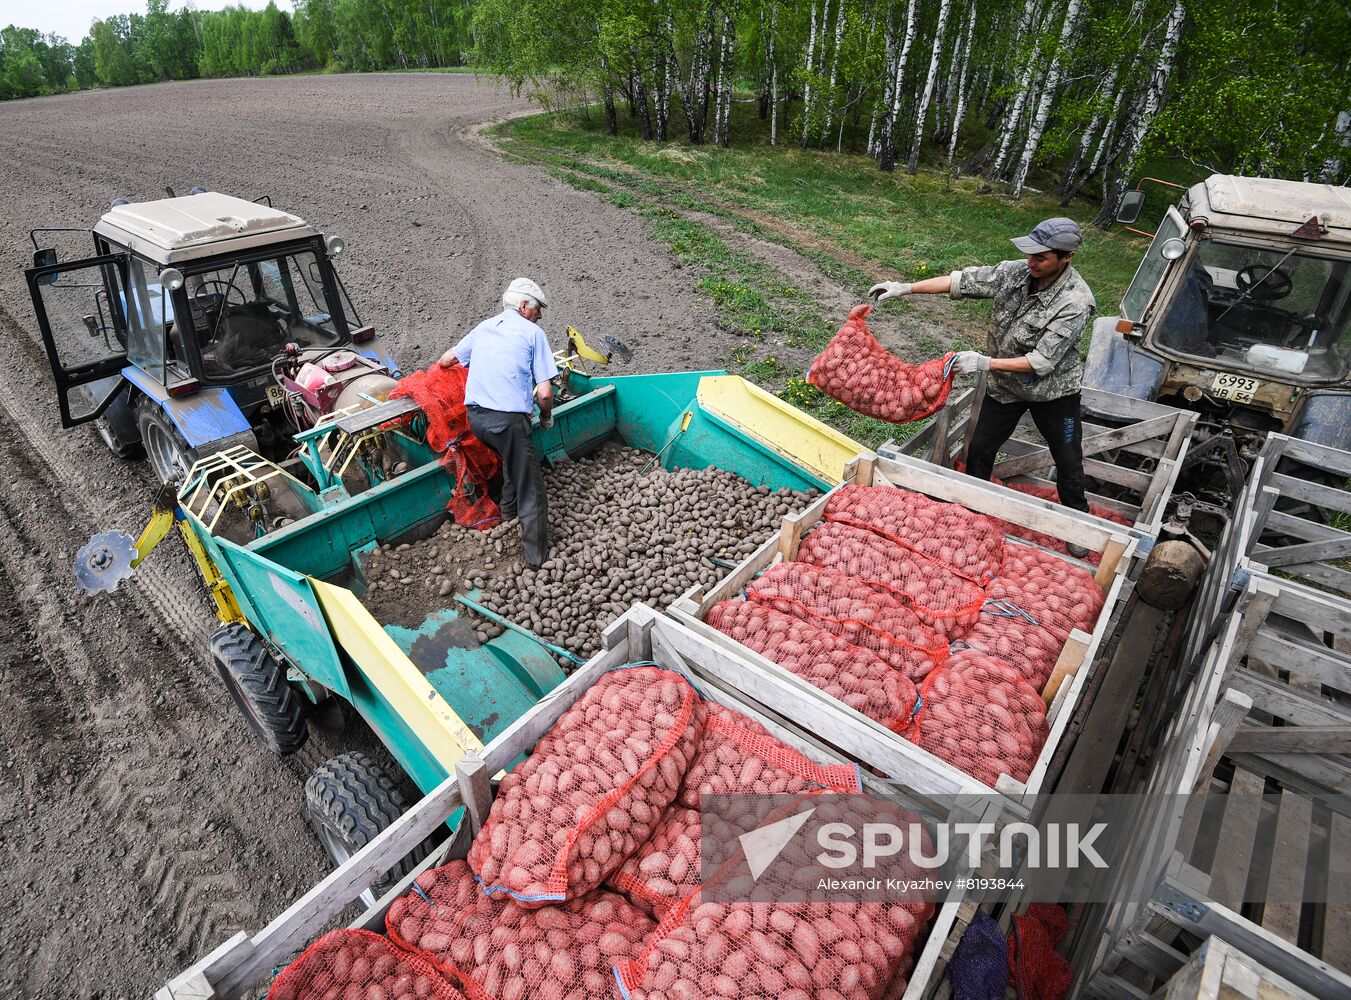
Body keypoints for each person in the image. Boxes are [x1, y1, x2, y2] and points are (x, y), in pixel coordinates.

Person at [869, 217, 1096, 557]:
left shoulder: (1075, 301)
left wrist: (983, 363)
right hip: (1005, 387)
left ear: (1067, 257)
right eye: (1029, 254)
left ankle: (1079, 524)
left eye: (1041, 257)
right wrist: (906, 287)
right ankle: (970, 513)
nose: (1031, 262)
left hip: (1053, 393)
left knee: (1067, 458)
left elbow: (1040, 362)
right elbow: (963, 282)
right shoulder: (1017, 272)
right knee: (980, 449)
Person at [438, 277, 558, 569]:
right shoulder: (533, 333)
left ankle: (506, 512)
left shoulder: (484, 327)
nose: (540, 316)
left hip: (476, 419)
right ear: (524, 304)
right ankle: (536, 557)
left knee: (510, 455)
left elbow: (446, 360)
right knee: (532, 485)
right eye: (538, 309)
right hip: (506, 422)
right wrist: (546, 416)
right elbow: (544, 393)